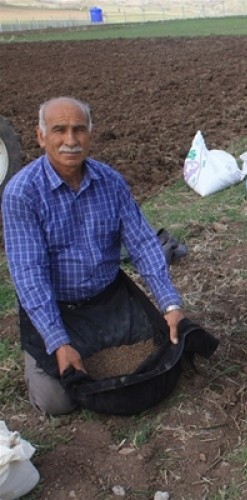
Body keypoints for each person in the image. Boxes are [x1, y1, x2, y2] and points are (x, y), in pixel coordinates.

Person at [2, 96, 185, 415]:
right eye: (59, 130)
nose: (70, 140)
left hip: (110, 300)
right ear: (41, 136)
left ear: (90, 134)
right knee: (58, 401)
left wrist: (169, 303)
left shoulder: (110, 181)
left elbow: (142, 244)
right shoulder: (22, 193)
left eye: (79, 130)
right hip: (59, 308)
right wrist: (58, 342)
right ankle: (39, 352)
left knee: (164, 355)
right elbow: (29, 275)